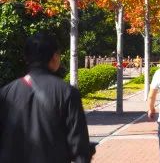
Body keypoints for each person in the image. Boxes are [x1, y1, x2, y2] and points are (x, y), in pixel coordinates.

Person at [0, 32, 92, 163]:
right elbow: (79, 147)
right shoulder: (67, 92)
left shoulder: (6, 93)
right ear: (54, 57)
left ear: (27, 58)